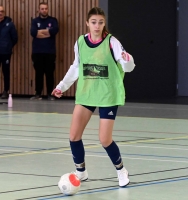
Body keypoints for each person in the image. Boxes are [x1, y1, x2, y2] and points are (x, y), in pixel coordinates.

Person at [52, 7, 135, 187]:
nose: (97, 26)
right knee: (74, 135)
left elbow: (127, 66)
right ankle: (81, 171)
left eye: (101, 22)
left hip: (108, 94)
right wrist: (62, 86)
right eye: (94, 22)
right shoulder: (80, 42)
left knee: (104, 139)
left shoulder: (112, 42)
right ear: (87, 23)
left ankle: (121, 170)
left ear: (104, 24)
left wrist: (128, 60)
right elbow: (76, 67)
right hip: (87, 93)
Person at [30, 2, 59, 100]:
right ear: (39, 10)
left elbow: (54, 31)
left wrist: (40, 32)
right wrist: (47, 32)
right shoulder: (35, 21)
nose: (44, 10)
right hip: (37, 51)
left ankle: (50, 94)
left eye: (46, 8)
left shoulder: (53, 20)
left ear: (48, 9)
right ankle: (38, 93)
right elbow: (33, 33)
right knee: (38, 73)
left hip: (50, 51)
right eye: (42, 9)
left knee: (49, 73)